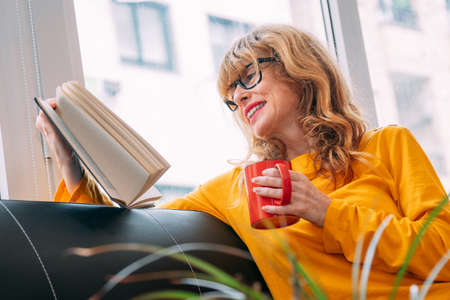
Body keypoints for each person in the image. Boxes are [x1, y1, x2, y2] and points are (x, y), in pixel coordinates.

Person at [36, 24, 450, 299]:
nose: (239, 96)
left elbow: (443, 253)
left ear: (301, 70)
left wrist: (327, 212)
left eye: (249, 77)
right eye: (231, 94)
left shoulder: (385, 145)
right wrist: (70, 162)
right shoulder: (236, 188)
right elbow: (122, 234)